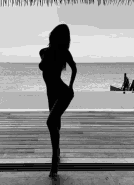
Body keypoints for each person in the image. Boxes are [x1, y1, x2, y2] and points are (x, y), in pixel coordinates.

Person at [39, 24, 77, 178]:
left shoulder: (64, 53)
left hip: (63, 93)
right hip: (51, 93)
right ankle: (58, 152)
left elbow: (74, 68)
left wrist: (71, 86)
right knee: (56, 124)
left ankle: (54, 160)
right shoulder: (44, 52)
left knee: (50, 123)